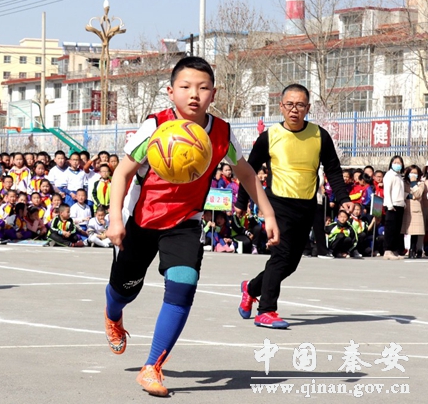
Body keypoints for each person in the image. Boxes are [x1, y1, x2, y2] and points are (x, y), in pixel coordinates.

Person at [103, 56, 278, 397]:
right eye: (185, 87)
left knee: (183, 284)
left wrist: (268, 213)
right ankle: (112, 315)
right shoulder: (155, 126)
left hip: (185, 221)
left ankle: (152, 367)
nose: (193, 94)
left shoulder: (221, 132)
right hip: (142, 218)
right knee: (125, 289)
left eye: (202, 87)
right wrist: (114, 219)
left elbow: (244, 173)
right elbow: (122, 172)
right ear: (171, 91)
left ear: (214, 93)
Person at [236, 83, 351, 330]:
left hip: (307, 205)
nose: (294, 110)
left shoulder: (320, 136)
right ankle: (266, 310)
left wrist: (344, 199)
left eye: (300, 105)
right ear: (281, 107)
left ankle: (251, 288)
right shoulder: (270, 136)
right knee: (281, 256)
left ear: (308, 108)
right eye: (289, 104)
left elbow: (333, 170)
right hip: (277, 204)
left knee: (291, 262)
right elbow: (249, 170)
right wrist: (241, 202)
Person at [382, 155, 406, 259]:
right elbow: (387, 191)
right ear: (391, 163)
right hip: (392, 205)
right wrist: (389, 205)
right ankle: (388, 250)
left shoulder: (399, 176)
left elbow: (399, 191)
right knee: (390, 229)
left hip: (400, 204)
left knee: (397, 229)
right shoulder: (389, 175)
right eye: (395, 162)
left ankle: (394, 250)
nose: (397, 164)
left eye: (399, 162)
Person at [402, 165, 425, 258]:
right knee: (405, 231)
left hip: (416, 210)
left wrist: (413, 183)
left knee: (415, 232)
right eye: (411, 173)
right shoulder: (403, 183)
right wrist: (411, 196)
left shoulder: (421, 184)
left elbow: (418, 194)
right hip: (405, 208)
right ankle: (402, 249)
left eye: (415, 173)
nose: (413, 175)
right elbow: (401, 193)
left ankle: (413, 250)